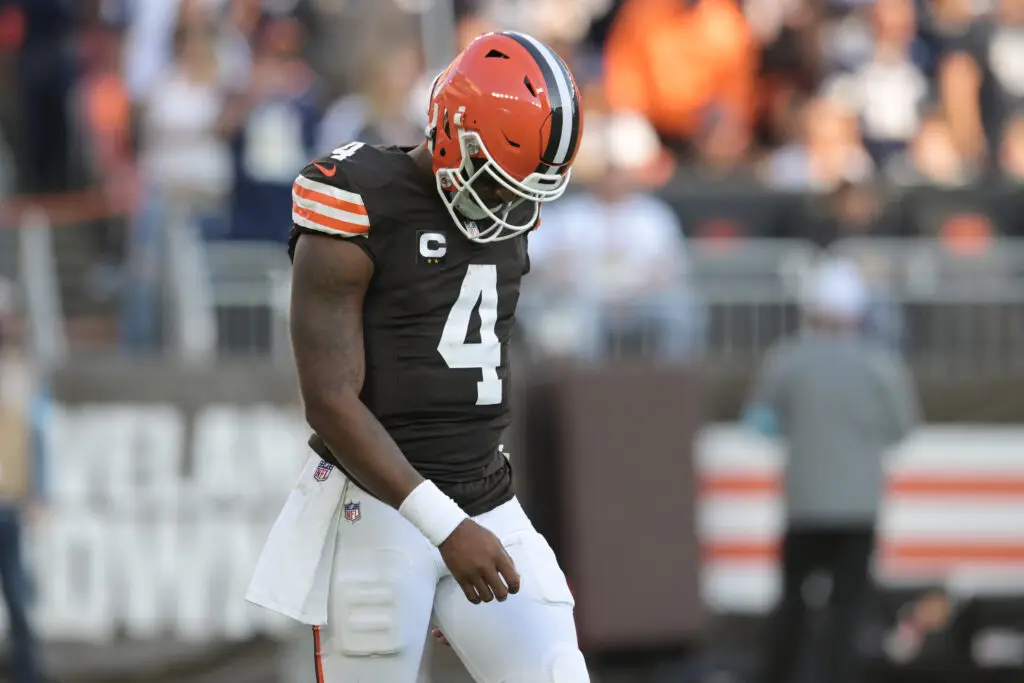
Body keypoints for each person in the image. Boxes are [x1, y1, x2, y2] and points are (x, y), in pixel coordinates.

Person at [245, 31, 589, 683]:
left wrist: (466, 519)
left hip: (488, 495)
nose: (512, 205)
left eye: (526, 188)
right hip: (378, 509)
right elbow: (328, 400)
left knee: (556, 673)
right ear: (451, 134)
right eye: (498, 181)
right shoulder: (357, 197)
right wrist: (443, 524)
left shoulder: (511, 206)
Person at [744, 258, 919, 683]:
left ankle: (780, 673)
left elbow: (760, 422)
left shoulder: (787, 360)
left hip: (803, 502)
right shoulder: (880, 364)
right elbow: (903, 428)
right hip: (859, 505)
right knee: (848, 605)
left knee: (793, 602)